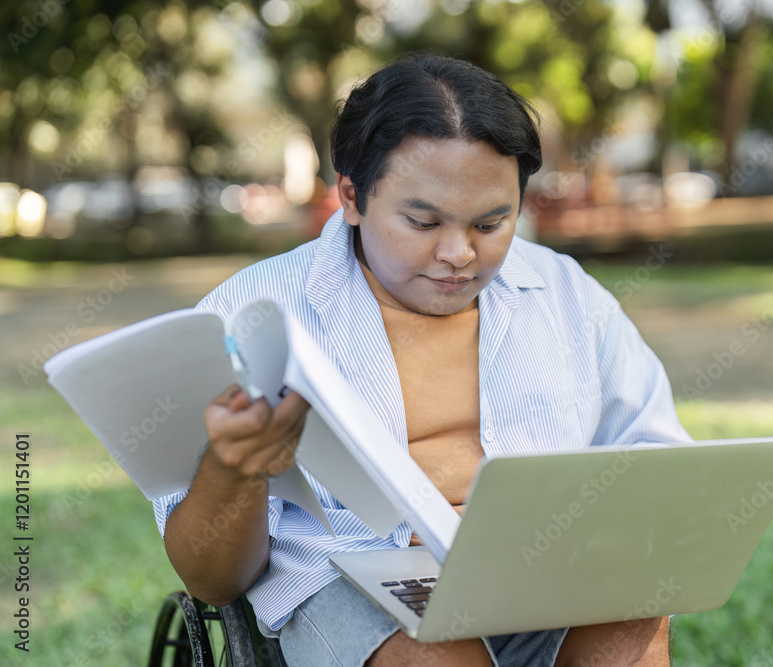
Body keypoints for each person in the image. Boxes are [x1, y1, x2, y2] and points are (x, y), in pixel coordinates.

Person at [152, 53, 690, 666]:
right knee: (428, 649)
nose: (459, 253)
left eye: (492, 222)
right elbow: (210, 582)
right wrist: (236, 469)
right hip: (356, 582)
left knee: (629, 622)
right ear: (352, 197)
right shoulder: (246, 316)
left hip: (544, 575)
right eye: (422, 220)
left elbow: (658, 463)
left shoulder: (568, 295)